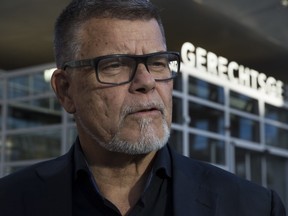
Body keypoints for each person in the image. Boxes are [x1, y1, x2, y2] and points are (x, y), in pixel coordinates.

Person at [0, 0, 286, 215]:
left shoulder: (254, 206)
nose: (146, 82)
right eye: (114, 65)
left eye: (158, 63)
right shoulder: (11, 201)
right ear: (65, 90)